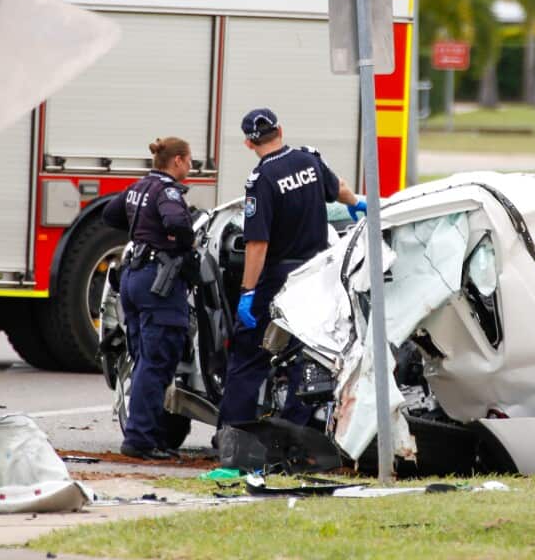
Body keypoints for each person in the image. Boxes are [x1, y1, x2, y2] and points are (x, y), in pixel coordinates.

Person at [217, 108, 365, 429]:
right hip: (316, 276)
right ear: (280, 130)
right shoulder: (309, 159)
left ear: (248, 143)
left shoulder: (261, 180)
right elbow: (338, 186)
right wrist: (356, 203)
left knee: (249, 357)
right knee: (308, 355)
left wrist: (247, 292)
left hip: (277, 280)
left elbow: (257, 245)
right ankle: (295, 433)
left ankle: (233, 432)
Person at [101, 137, 195, 460]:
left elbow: (110, 214)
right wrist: (183, 243)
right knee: (156, 363)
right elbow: (178, 223)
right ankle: (140, 439)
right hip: (158, 283)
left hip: (133, 277)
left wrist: (143, 229)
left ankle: (147, 434)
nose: (191, 165)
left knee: (144, 361)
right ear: (177, 160)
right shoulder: (167, 191)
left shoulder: (140, 186)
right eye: (189, 160)